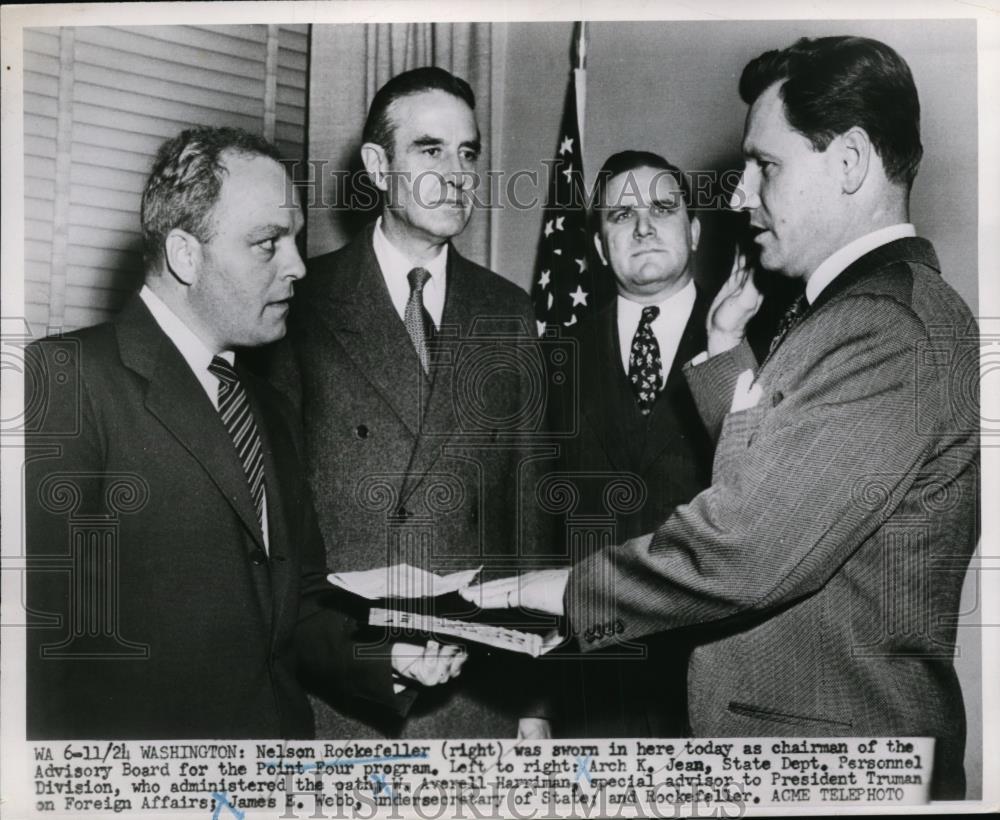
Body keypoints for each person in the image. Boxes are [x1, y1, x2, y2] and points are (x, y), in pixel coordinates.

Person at [464, 36, 979, 799]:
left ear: (849, 162)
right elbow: (778, 481)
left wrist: (569, 593)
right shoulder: (865, 312)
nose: (739, 194)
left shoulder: (879, 325)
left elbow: (744, 543)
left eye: (765, 166)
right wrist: (727, 358)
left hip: (826, 759)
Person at [25, 126, 464, 739]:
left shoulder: (268, 405)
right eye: (268, 243)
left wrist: (386, 658)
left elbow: (296, 606)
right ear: (185, 254)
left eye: (297, 240)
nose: (298, 266)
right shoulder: (63, 381)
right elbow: (32, 652)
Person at [270, 67, 551, 739]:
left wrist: (536, 704)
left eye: (469, 152)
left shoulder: (508, 313)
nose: (456, 174)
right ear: (377, 165)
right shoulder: (300, 305)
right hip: (345, 695)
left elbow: (530, 513)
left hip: (475, 694)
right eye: (430, 150)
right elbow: (277, 530)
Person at [548, 151, 713, 737]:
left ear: (693, 231)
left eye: (663, 209)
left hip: (713, 679)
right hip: (593, 684)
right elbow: (537, 525)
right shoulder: (555, 357)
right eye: (621, 215)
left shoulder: (754, 341)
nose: (643, 227)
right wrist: (533, 700)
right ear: (598, 246)